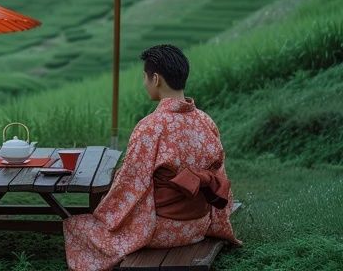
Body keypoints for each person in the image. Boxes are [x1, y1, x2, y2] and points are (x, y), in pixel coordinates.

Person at [63, 45, 240, 271]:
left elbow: (130, 184)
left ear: (155, 78)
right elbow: (219, 176)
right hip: (199, 226)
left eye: (144, 77)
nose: (144, 83)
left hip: (162, 230)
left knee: (82, 228)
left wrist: (104, 215)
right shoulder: (206, 121)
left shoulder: (150, 127)